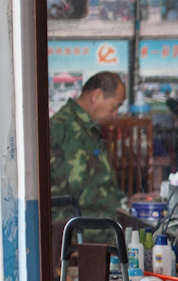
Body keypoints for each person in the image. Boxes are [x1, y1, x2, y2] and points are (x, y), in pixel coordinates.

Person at [49, 71, 127, 222]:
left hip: (96, 220)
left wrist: (124, 199)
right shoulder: (66, 128)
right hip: (79, 226)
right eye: (115, 106)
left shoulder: (85, 127)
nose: (115, 114)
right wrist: (118, 205)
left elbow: (98, 178)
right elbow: (76, 189)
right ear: (97, 96)